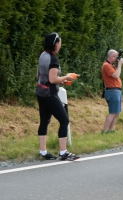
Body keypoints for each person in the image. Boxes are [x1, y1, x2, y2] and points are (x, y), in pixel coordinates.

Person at [36, 32, 79, 161]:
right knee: (64, 120)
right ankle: (63, 152)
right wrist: (66, 77)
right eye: (60, 42)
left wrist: (62, 81)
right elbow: (53, 79)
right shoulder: (53, 59)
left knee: (44, 121)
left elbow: (46, 77)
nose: (60, 45)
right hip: (50, 93)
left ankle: (43, 152)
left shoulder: (43, 55)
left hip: (40, 92)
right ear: (55, 44)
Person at [102, 49, 123, 133]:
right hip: (112, 91)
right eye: (116, 57)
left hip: (116, 91)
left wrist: (118, 65)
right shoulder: (106, 65)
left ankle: (110, 130)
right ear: (112, 57)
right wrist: (119, 65)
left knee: (117, 112)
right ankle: (105, 131)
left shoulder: (111, 65)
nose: (117, 59)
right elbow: (116, 75)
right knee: (112, 112)